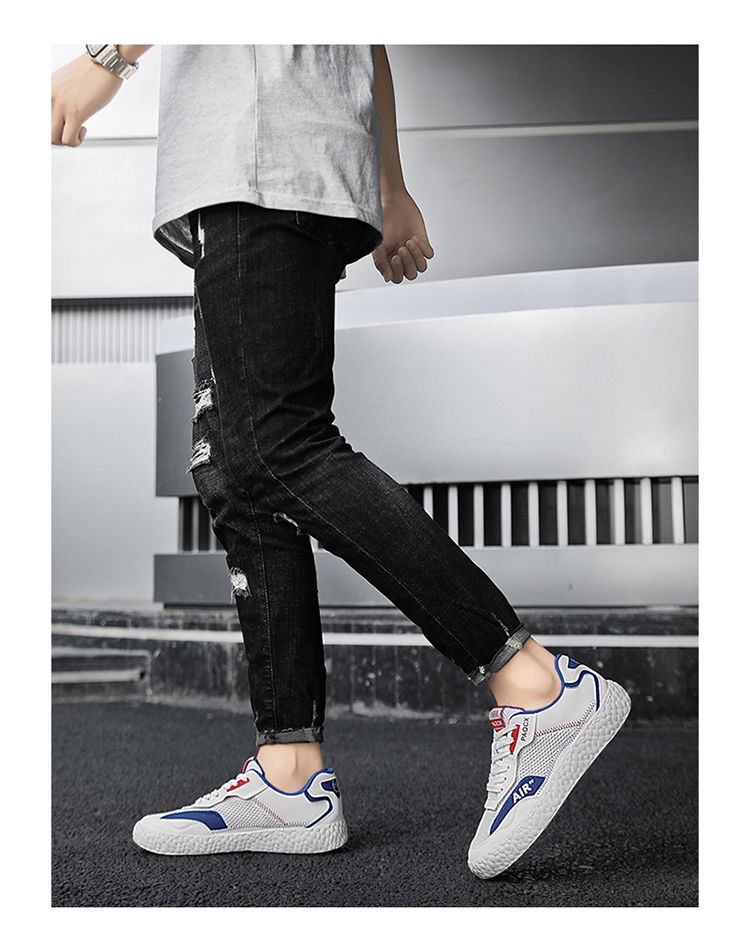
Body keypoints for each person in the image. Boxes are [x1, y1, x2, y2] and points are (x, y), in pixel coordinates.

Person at [51, 44, 631, 877]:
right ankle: (289, 773)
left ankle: (536, 683)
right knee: (234, 470)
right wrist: (390, 186)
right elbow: (371, 41)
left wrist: (110, 54)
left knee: (275, 446)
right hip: (263, 163)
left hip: (260, 157)